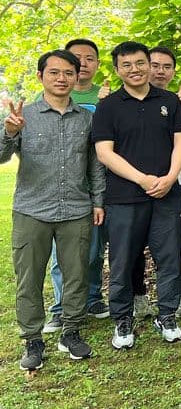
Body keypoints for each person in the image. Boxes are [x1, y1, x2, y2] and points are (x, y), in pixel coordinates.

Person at [3, 51, 105, 369]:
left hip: (76, 209)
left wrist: (98, 201)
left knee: (77, 274)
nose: (61, 78)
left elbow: (94, 165)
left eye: (68, 73)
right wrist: (10, 133)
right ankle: (32, 340)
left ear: (76, 77)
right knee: (29, 278)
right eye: (54, 72)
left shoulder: (86, 118)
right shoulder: (24, 115)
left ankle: (71, 331)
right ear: (40, 76)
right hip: (32, 210)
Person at [92, 41, 181, 349]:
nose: (135, 70)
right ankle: (122, 319)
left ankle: (167, 315)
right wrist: (142, 179)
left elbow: (180, 143)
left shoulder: (169, 101)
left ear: (148, 64)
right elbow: (104, 153)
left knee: (169, 258)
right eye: (127, 65)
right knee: (122, 262)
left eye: (140, 63)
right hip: (124, 198)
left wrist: (170, 178)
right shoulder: (108, 106)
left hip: (166, 194)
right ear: (117, 70)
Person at [132, 46, 181, 319]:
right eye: (155, 65)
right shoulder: (126, 101)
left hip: (176, 183)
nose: (160, 71)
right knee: (133, 244)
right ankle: (138, 295)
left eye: (167, 67)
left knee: (174, 242)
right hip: (135, 184)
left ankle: (176, 294)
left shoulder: (177, 101)